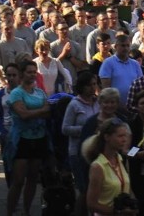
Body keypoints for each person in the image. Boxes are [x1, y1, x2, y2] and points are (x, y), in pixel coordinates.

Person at [6, 59, 51, 216]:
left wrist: (35, 112)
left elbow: (48, 112)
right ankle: (10, 212)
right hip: (22, 139)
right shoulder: (16, 93)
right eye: (29, 72)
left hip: (38, 137)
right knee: (18, 181)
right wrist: (40, 111)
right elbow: (23, 114)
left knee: (33, 178)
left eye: (34, 72)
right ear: (21, 73)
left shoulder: (39, 92)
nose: (32, 75)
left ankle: (27, 211)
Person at [62, 71, 100, 216]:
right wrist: (85, 129)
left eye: (95, 84)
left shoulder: (98, 103)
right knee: (84, 189)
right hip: (77, 152)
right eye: (89, 85)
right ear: (82, 87)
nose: (93, 88)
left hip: (95, 151)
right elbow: (65, 128)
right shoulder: (74, 105)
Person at [84, 117, 137, 216]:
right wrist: (117, 213)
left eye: (125, 136)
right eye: (120, 136)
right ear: (107, 137)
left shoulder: (119, 159)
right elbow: (91, 204)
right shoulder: (98, 167)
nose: (124, 140)